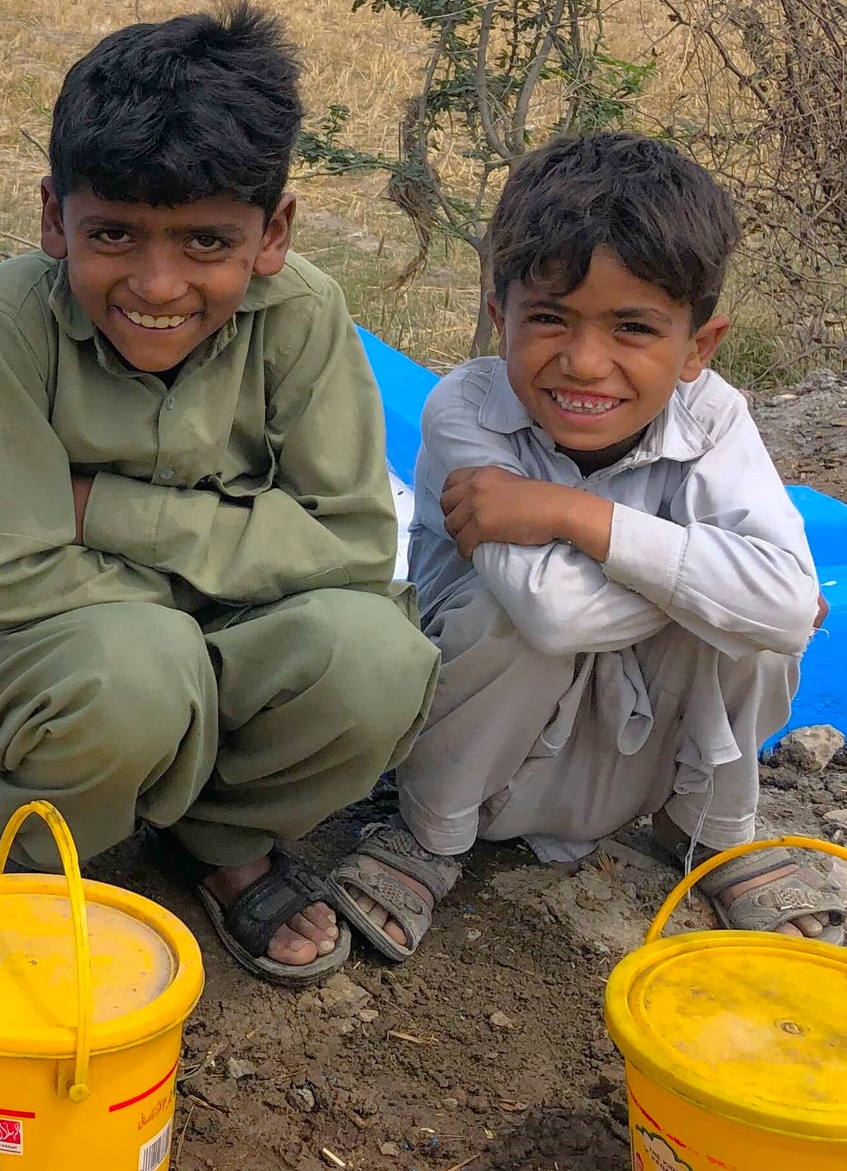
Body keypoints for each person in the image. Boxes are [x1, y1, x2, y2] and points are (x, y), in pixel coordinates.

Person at [0, 6, 440, 985]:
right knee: (134, 668)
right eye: (112, 233)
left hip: (203, 638)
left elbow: (353, 544)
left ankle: (221, 838)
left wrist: (94, 508)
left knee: (374, 656)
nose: (156, 283)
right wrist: (228, 576)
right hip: (47, 662)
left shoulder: (303, 315)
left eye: (204, 242)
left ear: (271, 233)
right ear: (51, 217)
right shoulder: (9, 320)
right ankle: (30, 848)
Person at [329, 134, 843, 957]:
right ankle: (428, 837)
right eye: (549, 319)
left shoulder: (713, 418)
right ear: (502, 318)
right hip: (488, 759)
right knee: (516, 609)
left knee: (757, 624)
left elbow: (782, 608)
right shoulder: (468, 410)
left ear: (698, 349)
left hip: (637, 762)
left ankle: (707, 832)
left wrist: (576, 518)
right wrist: (719, 591)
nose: (585, 361)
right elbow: (555, 615)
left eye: (633, 327)